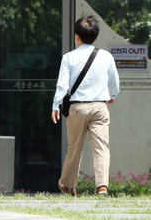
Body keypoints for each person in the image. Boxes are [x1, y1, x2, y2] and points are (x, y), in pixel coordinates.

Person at [51, 16, 120, 197]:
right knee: (102, 147)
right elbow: (114, 83)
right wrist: (112, 95)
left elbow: (62, 85)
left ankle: (68, 185)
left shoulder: (69, 58)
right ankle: (102, 186)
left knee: (74, 148)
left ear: (77, 36)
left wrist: (56, 105)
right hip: (99, 107)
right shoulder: (106, 56)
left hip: (77, 108)